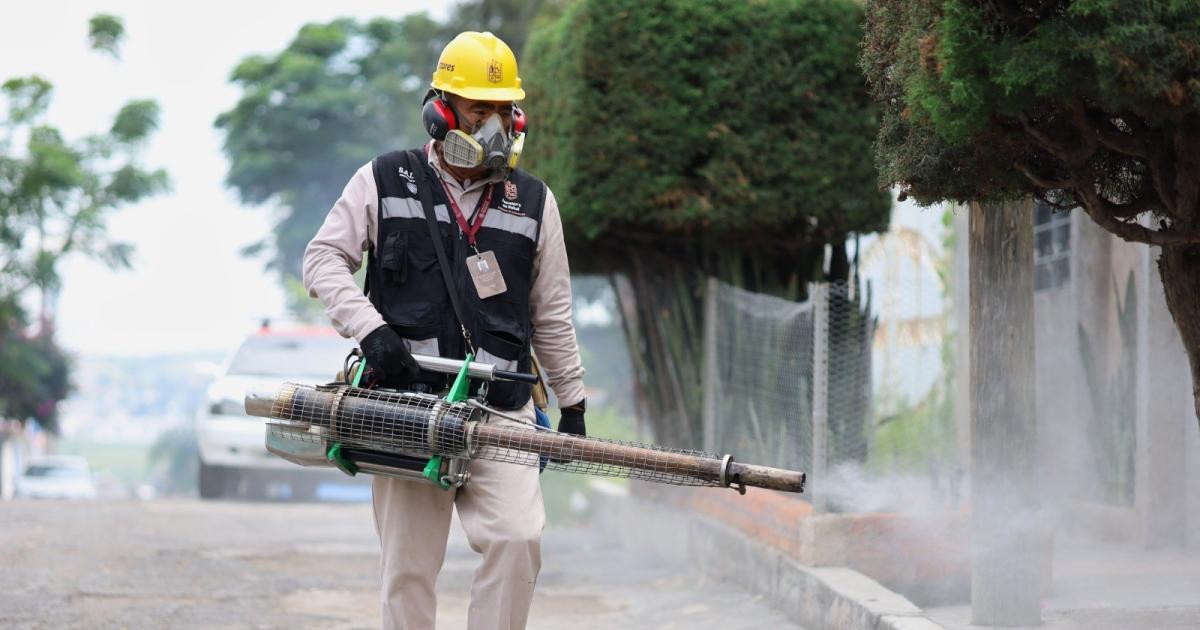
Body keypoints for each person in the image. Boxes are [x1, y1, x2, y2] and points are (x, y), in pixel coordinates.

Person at [302, 31, 586, 630]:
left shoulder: (533, 202)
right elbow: (322, 259)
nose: (492, 127)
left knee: (517, 539)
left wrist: (574, 401)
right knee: (407, 571)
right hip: (406, 408)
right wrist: (370, 330)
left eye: (502, 111)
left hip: (503, 405)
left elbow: (553, 312)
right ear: (441, 111)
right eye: (478, 111)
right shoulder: (383, 179)